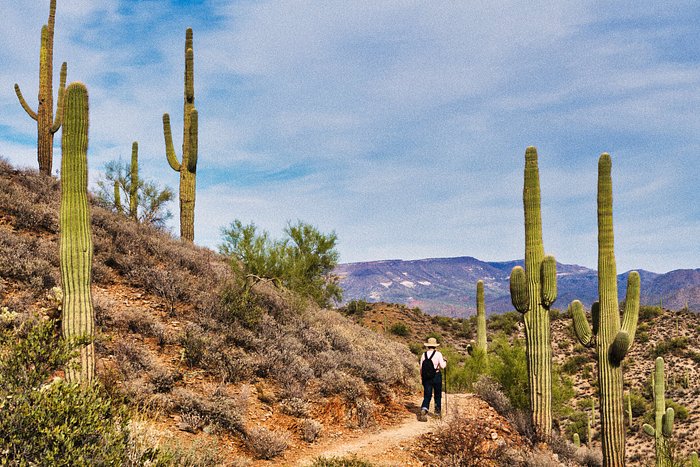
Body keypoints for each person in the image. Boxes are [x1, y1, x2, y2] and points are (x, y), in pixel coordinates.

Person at [419, 337, 447, 420]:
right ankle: (437, 412)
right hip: (436, 375)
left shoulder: (423, 355)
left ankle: (424, 408)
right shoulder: (438, 354)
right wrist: (445, 361)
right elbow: (442, 366)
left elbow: (421, 368)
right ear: (435, 346)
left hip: (426, 377)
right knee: (437, 395)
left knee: (427, 395)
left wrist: (422, 377)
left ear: (428, 346)